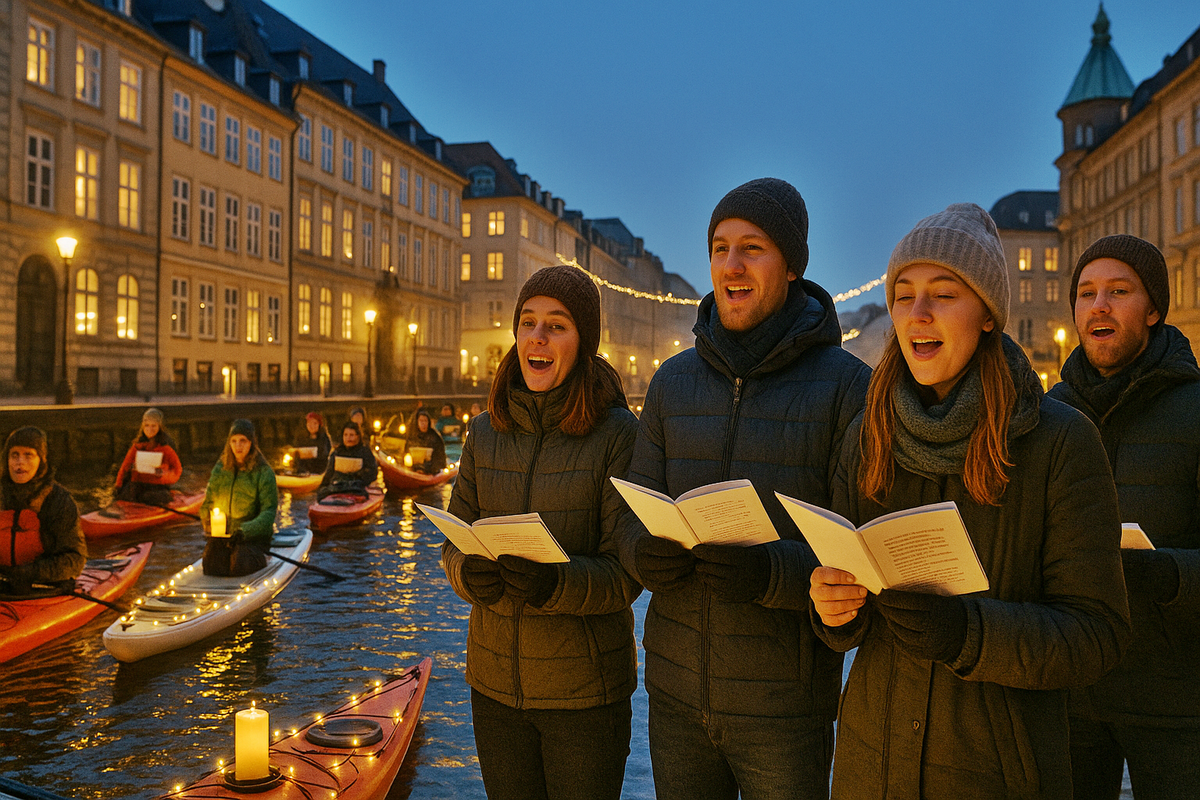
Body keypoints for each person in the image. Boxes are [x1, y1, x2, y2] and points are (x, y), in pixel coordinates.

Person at [809, 204, 1132, 799]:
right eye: (903, 295)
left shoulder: (1060, 442)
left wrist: (969, 633)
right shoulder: (867, 432)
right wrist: (833, 608)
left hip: (1000, 775)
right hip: (871, 768)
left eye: (944, 294)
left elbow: (1097, 636)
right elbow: (846, 604)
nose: (918, 313)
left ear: (988, 314)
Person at [616, 178, 871, 800]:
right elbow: (629, 518)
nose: (731, 265)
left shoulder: (847, 387)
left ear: (791, 267)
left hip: (785, 706)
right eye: (720, 247)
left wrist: (768, 574)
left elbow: (860, 548)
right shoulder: (672, 383)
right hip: (675, 695)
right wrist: (643, 551)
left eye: (752, 248)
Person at [441, 265, 641, 800]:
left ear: (583, 343)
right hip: (494, 687)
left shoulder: (617, 434)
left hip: (585, 696)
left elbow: (628, 574)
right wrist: (468, 573)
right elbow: (453, 542)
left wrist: (554, 585)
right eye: (528, 322)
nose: (538, 336)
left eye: (557, 325)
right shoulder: (485, 431)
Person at [1046, 235, 1200, 799]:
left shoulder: (1194, 408)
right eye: (1086, 293)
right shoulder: (1049, 412)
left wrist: (1164, 575)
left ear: (1154, 309)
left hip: (1173, 699)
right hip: (1070, 690)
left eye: (1118, 291)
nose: (1098, 306)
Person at [0, 427, 86, 595]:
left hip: (43, 589)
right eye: (14, 455)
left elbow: (75, 559)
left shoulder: (59, 500)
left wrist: (28, 573)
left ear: (42, 460)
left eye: (28, 455)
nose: (20, 462)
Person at [200, 419, 277, 577]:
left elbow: (268, 512)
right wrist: (207, 522)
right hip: (223, 537)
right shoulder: (220, 469)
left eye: (243, 441)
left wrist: (245, 531)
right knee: (210, 565)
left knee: (240, 563)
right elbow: (208, 503)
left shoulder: (263, 472)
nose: (238, 446)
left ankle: (263, 559)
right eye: (234, 441)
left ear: (251, 443)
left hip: (251, 539)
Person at [112, 408, 182, 507]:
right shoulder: (137, 446)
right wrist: (118, 486)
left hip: (157, 488)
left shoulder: (166, 448)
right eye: (147, 425)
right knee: (127, 494)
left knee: (149, 497)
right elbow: (124, 468)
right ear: (143, 426)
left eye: (153, 426)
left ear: (160, 427)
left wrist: (163, 474)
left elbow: (177, 470)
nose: (149, 429)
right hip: (138, 486)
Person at [318, 421, 377, 500]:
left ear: (358, 436)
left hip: (357, 488)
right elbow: (329, 473)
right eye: (345, 435)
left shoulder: (365, 452)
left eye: (351, 435)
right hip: (337, 487)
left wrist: (359, 475)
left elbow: (373, 473)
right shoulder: (337, 453)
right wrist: (322, 487)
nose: (348, 438)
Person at [408, 409, 447, 474]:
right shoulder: (412, 437)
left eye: (425, 421)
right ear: (417, 422)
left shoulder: (435, 437)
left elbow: (440, 457)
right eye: (421, 421)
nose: (423, 423)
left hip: (431, 470)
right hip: (413, 470)